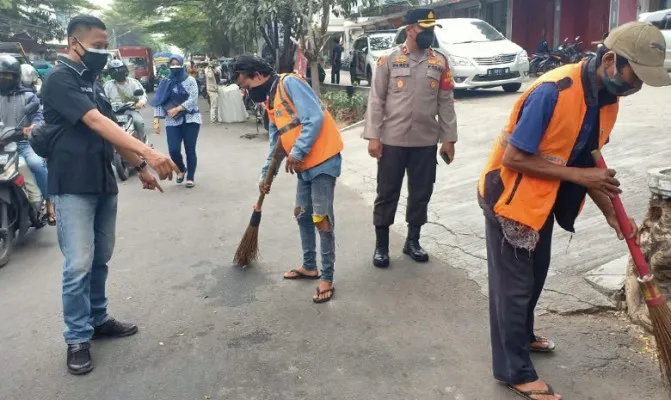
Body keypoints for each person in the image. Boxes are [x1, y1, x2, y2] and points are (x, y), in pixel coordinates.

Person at [477, 21, 670, 400]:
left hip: (543, 199)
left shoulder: (606, 99)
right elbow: (516, 157)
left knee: (534, 278)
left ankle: (523, 335)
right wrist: (581, 176)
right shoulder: (553, 91)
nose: (637, 87)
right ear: (611, 60)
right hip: (510, 197)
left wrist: (611, 212)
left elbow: (588, 159)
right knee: (513, 289)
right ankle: (513, 370)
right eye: (636, 76)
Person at [40, 14, 178, 376]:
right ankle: (77, 337)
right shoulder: (59, 79)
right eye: (98, 47)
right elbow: (96, 122)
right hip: (72, 185)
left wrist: (139, 168)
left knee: (101, 257)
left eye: (105, 47)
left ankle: (98, 319)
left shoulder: (92, 81)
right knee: (78, 265)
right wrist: (151, 152)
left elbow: (111, 131)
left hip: (102, 181)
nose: (104, 54)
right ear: (75, 43)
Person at [233, 55, 343, 303]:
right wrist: (266, 176)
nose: (247, 91)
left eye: (247, 85)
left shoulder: (290, 83)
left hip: (323, 160)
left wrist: (298, 151)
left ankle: (327, 276)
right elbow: (277, 143)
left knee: (321, 218)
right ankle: (309, 266)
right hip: (303, 165)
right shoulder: (270, 101)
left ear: (258, 76)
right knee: (302, 214)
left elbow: (313, 118)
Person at [363, 8, 457, 269]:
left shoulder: (440, 62)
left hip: (425, 141)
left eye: (431, 30)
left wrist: (448, 139)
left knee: (421, 193)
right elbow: (376, 99)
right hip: (392, 140)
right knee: (387, 193)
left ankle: (412, 241)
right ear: (409, 30)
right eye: (423, 29)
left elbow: (446, 102)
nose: (428, 35)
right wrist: (373, 136)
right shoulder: (389, 60)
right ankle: (381, 246)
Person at [0, 55, 55, 224]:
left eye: (7, 74)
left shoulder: (28, 96)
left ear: (15, 76)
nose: (3, 78)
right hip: (2, 144)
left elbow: (38, 116)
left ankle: (49, 203)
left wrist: (33, 127)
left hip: (24, 143)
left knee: (38, 165)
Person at [151, 55, 202, 189]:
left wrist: (178, 108)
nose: (174, 66)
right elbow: (159, 101)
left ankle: (190, 177)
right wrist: (156, 120)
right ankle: (181, 169)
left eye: (177, 63)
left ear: (182, 64)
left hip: (191, 119)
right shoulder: (164, 82)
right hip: (172, 121)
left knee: (190, 149)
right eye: (172, 64)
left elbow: (193, 99)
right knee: (173, 150)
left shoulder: (190, 80)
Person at [103, 59, 148, 143]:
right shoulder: (107, 85)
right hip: (113, 112)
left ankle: (143, 143)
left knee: (138, 122)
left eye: (120, 69)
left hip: (130, 110)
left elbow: (142, 96)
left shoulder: (133, 83)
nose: (117, 72)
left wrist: (140, 102)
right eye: (114, 70)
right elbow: (103, 99)